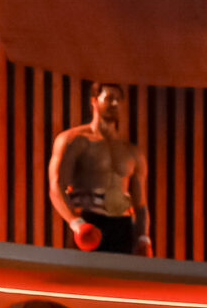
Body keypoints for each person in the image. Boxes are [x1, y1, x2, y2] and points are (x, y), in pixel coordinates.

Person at [48, 82, 149, 255]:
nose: (115, 103)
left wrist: (143, 238)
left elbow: (140, 204)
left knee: (121, 272)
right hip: (89, 222)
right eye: (109, 98)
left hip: (123, 227)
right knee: (84, 271)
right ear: (94, 100)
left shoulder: (131, 151)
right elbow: (56, 186)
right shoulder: (73, 140)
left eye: (118, 99)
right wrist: (76, 224)